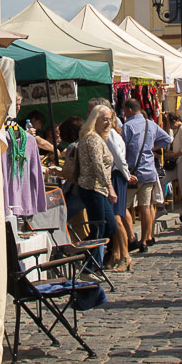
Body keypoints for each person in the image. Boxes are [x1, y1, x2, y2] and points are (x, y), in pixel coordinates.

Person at [71, 106, 117, 265]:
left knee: (109, 227)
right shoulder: (92, 139)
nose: (108, 123)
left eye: (110, 119)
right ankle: (90, 264)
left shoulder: (95, 138)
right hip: (92, 188)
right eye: (105, 119)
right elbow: (98, 165)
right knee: (100, 228)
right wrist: (110, 187)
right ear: (95, 119)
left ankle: (88, 259)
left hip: (99, 189)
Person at [120, 99, 167, 250]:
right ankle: (145, 240)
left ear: (129, 110)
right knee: (145, 206)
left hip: (132, 173)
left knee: (124, 206)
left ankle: (132, 236)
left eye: (124, 111)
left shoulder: (127, 126)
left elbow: (121, 148)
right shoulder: (151, 124)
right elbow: (167, 139)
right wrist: (152, 148)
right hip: (148, 171)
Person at [98, 99, 134, 270]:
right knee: (115, 217)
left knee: (116, 218)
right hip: (117, 175)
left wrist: (126, 175)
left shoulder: (110, 134)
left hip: (116, 175)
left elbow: (118, 158)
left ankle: (125, 256)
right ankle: (117, 254)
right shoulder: (110, 133)